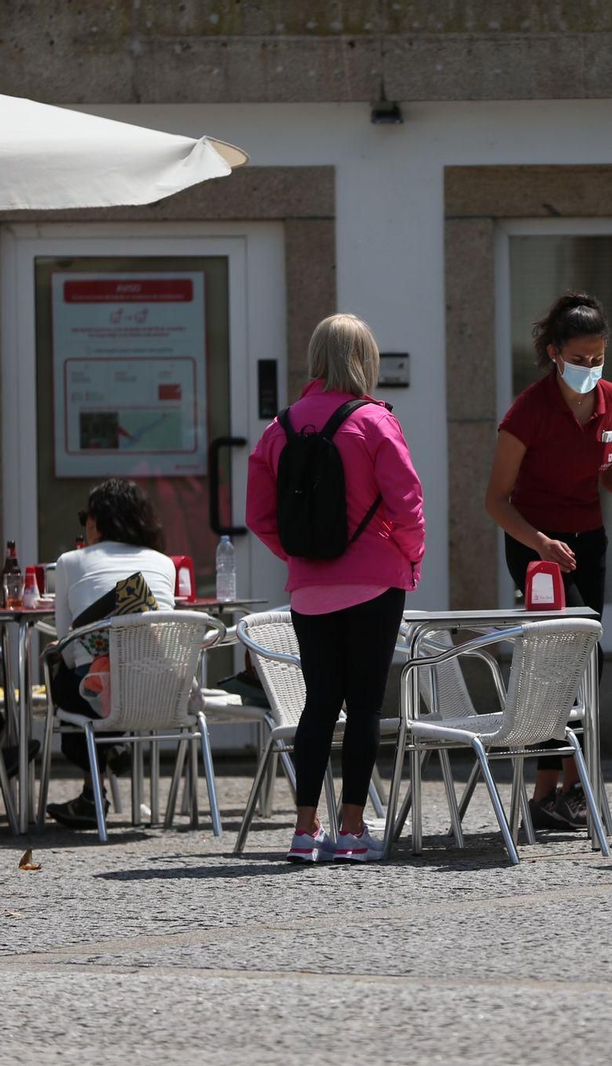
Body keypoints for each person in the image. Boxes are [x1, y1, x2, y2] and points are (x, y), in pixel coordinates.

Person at [246, 313, 424, 863]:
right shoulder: (374, 422)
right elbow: (407, 503)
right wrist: (408, 556)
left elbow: (259, 515)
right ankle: (350, 830)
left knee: (319, 702)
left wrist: (300, 558)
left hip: (309, 587)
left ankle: (304, 829)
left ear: (315, 358)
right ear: (363, 360)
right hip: (375, 580)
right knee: (365, 704)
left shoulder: (278, 429)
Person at [484, 291, 612, 832]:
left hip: (589, 542)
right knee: (561, 658)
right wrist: (539, 542)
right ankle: (548, 789)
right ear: (555, 353)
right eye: (579, 358)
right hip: (536, 546)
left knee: (588, 660)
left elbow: (611, 478)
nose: (589, 367)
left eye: (597, 357)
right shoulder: (529, 409)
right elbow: (496, 500)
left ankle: (566, 790)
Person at [44, 478, 177, 829]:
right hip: (163, 694)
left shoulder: (70, 562)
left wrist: (61, 654)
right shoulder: (165, 563)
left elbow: (67, 645)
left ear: (96, 520)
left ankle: (94, 791)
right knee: (103, 678)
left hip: (98, 693)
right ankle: (112, 751)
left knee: (67, 681)